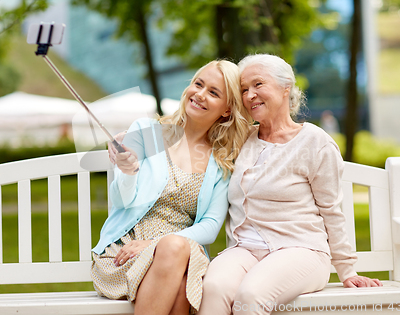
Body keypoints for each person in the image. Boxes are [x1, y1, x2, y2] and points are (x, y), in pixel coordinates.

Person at [198, 54, 382, 315]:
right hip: (244, 250)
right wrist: (142, 138)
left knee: (249, 296)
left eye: (258, 84)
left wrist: (346, 269)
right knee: (213, 288)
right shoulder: (241, 138)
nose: (250, 95)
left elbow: (331, 209)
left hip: (302, 250)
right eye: (243, 89)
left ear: (286, 88)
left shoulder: (315, 142)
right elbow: (194, 132)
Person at [91, 60, 251, 315]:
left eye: (213, 92)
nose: (199, 94)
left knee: (179, 264)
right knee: (182, 285)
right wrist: (128, 171)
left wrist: (155, 244)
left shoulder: (221, 161)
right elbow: (121, 202)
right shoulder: (146, 132)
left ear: (227, 110)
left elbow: (210, 227)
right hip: (126, 250)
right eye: (198, 84)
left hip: (183, 252)